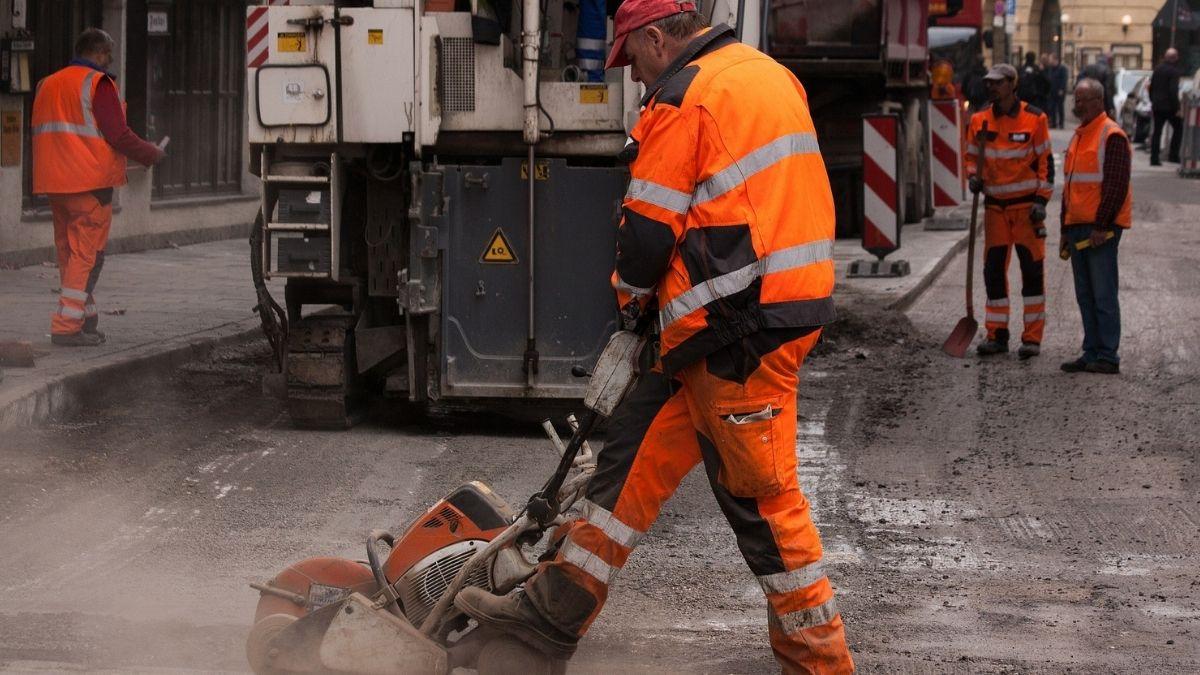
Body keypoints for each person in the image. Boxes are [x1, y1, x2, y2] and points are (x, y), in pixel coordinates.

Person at [454, 0, 854, 672]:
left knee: (762, 502)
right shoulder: (766, 74)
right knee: (626, 465)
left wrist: (630, 309)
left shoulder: (683, 96)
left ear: (657, 38)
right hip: (736, 320)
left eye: (632, 59)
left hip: (738, 330)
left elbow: (646, 234)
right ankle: (545, 621)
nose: (633, 77)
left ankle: (822, 662)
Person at [32, 28, 165, 346]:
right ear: (98, 51)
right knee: (87, 256)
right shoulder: (98, 84)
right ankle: (66, 327)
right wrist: (151, 153)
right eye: (108, 53)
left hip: (55, 182)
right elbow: (118, 135)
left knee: (69, 252)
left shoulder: (48, 84)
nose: (110, 60)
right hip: (89, 183)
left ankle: (84, 317)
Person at [965, 64, 1052, 360]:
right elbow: (970, 157)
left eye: (998, 83)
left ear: (1012, 85)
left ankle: (1032, 339)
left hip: (1026, 210)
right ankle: (997, 335)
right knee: (993, 273)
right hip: (995, 210)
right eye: (989, 83)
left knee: (1032, 273)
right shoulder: (979, 120)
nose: (991, 87)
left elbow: (1046, 164)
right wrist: (971, 176)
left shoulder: (1035, 118)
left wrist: (1042, 200)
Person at [1059, 79, 1132, 375]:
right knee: (1085, 294)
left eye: (1083, 100)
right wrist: (1064, 228)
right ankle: (1091, 351)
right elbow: (1070, 187)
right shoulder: (1080, 136)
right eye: (1076, 100)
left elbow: (1115, 185)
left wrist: (1101, 226)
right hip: (1078, 226)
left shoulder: (1111, 134)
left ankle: (1107, 355)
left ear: (1099, 101)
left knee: (1102, 293)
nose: (1077, 106)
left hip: (1099, 228)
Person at [1148, 47, 1183, 165]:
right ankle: (1173, 155)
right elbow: (1173, 91)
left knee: (1157, 132)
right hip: (1169, 107)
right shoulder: (1174, 71)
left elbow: (1151, 87)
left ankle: (1154, 158)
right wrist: (1177, 108)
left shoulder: (1157, 69)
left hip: (1157, 105)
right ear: (1174, 58)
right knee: (1178, 128)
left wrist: (1153, 101)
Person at [1045, 53, 1069, 129]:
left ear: (1055, 60)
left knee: (1060, 108)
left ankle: (1061, 123)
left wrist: (1061, 89)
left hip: (1059, 91)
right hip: (1052, 91)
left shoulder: (1062, 68)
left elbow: (1064, 80)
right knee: (1052, 108)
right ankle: (1054, 123)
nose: (1049, 60)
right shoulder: (1050, 68)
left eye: (1051, 59)